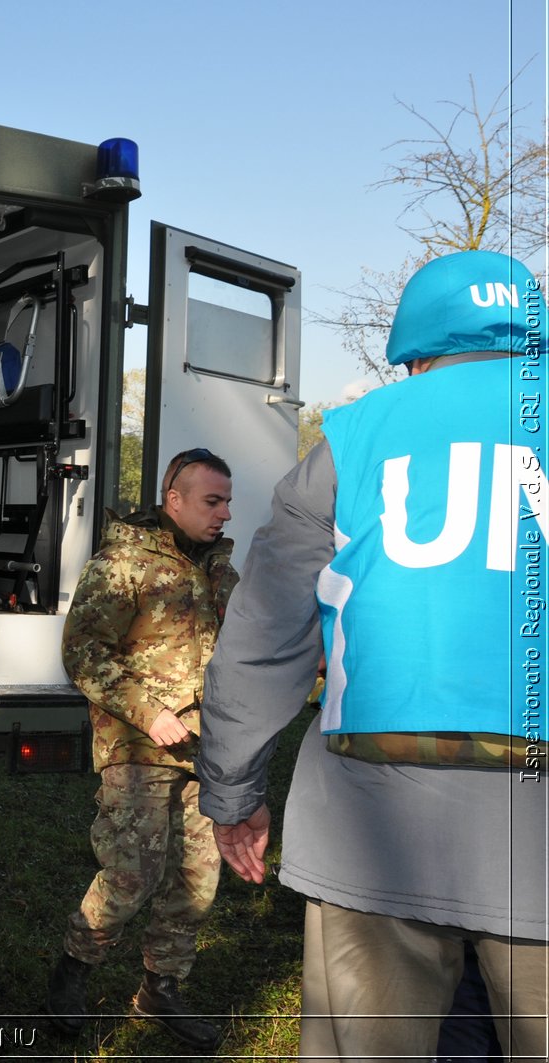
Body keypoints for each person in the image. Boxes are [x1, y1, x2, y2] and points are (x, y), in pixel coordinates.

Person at [196, 250, 548, 1061]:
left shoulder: (352, 440)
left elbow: (263, 637)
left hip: (372, 820)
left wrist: (234, 790)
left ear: (416, 350)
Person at [44, 448, 237, 1050]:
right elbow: (84, 652)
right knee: (131, 875)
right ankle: (73, 971)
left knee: (197, 883)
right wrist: (148, 712)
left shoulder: (220, 571)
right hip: (139, 748)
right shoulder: (124, 563)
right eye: (213, 501)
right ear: (173, 499)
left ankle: (162, 989)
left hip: (210, 749)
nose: (225, 514)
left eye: (229, 501)